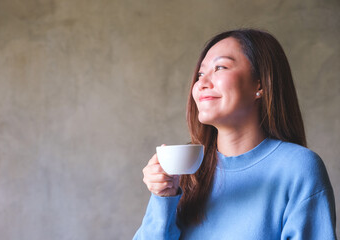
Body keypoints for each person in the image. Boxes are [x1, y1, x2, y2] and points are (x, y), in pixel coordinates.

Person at [133, 29, 337, 239]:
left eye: (220, 67)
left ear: (260, 83)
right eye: (201, 74)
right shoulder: (186, 171)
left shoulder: (298, 168)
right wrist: (163, 198)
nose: (201, 83)